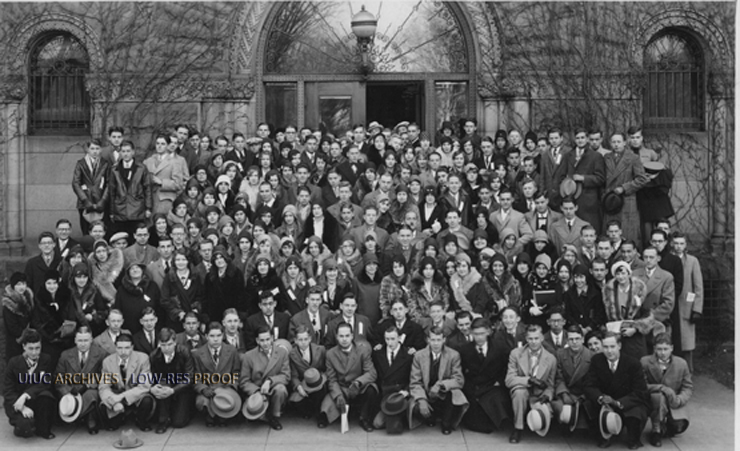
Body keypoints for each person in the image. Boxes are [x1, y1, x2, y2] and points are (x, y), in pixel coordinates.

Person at [584, 332, 650, 449]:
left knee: (637, 411)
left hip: (626, 402)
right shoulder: (597, 360)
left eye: (612, 346)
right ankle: (604, 436)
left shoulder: (633, 363)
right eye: (605, 347)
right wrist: (601, 397)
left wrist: (617, 402)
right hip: (605, 401)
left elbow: (640, 391)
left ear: (619, 346)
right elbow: (589, 385)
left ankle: (633, 438)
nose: (609, 351)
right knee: (589, 404)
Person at [408, 326, 467, 435]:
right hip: (427, 393)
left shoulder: (453, 355)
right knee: (415, 406)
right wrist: (421, 399)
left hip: (443, 394)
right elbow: (415, 382)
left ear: (444, 340)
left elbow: (459, 380)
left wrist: (440, 385)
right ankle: (430, 416)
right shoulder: (419, 356)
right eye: (433, 340)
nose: (436, 343)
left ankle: (446, 422)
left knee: (455, 393)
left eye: (439, 340)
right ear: (428, 340)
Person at [322, 322, 379, 432]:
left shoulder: (362, 350)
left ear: (352, 336)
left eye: (347, 336)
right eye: (341, 336)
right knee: (326, 411)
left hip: (359, 388)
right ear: (336, 337)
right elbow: (332, 379)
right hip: (342, 388)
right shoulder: (330, 354)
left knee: (372, 389)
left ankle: (364, 418)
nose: (344, 339)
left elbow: (371, 373)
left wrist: (358, 382)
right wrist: (338, 395)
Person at [505, 324, 557, 444]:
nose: (533, 342)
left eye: (536, 338)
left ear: (542, 338)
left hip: (539, 393)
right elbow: (509, 379)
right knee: (519, 393)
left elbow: (550, 384)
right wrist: (528, 380)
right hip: (522, 389)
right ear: (526, 339)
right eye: (530, 339)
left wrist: (547, 395)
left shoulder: (551, 359)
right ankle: (518, 428)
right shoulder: (516, 354)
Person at [459, 318, 512, 433]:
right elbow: (461, 371)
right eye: (476, 334)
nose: (479, 337)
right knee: (476, 415)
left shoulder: (499, 347)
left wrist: (500, 381)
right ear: (471, 333)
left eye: (482, 333)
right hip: (474, 386)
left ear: (488, 332)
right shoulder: (465, 350)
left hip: (493, 385)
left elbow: (507, 367)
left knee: (496, 400)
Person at [640, 333, 693, 447]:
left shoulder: (681, 363)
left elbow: (687, 387)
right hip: (653, 400)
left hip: (673, 400)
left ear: (671, 348)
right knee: (658, 397)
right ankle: (656, 430)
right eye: (659, 349)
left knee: (678, 427)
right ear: (654, 349)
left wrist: (680, 399)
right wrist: (662, 388)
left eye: (665, 349)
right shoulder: (645, 362)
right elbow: (641, 385)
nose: (662, 353)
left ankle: (667, 424)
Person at [3, 329, 56, 439]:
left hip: (35, 398)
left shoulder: (46, 359)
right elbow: (7, 389)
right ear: (24, 346)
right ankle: (23, 424)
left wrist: (26, 395)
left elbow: (45, 383)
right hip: (17, 401)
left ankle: (43, 428)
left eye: (37, 348)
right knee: (25, 429)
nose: (34, 352)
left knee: (47, 396)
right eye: (31, 348)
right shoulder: (13, 363)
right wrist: (22, 407)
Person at [55, 326, 107, 434]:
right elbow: (58, 378)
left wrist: (88, 385)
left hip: (89, 389)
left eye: (86, 340)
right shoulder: (65, 355)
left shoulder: (101, 354)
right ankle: (74, 412)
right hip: (71, 391)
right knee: (68, 400)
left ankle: (90, 419)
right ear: (75, 340)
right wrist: (68, 391)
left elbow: (104, 375)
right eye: (80, 340)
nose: (83, 344)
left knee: (92, 395)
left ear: (91, 340)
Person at [98, 333, 154, 431]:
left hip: (135, 395)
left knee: (147, 400)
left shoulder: (143, 358)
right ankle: (120, 417)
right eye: (120, 348)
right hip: (117, 394)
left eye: (127, 348)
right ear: (115, 347)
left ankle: (140, 420)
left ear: (132, 347)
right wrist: (114, 403)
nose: (123, 352)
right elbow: (104, 387)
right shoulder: (107, 361)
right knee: (104, 406)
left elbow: (144, 386)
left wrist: (121, 397)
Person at [239, 326, 291, 430]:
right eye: (262, 340)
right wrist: (257, 391)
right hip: (257, 391)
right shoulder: (249, 356)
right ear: (257, 341)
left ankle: (274, 416)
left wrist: (270, 381)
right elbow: (244, 381)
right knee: (255, 411)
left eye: (267, 339)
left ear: (272, 338)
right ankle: (262, 413)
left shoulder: (282, 353)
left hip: (273, 389)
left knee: (281, 389)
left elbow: (286, 375)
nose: (265, 343)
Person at [191, 322, 242, 427]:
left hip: (225, 388)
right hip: (208, 389)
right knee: (201, 402)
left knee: (227, 400)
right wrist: (203, 389)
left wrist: (230, 385)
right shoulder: (197, 354)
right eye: (212, 336)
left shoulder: (232, 351)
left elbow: (237, 373)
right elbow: (196, 377)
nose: (215, 339)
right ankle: (210, 415)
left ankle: (223, 415)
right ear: (206, 336)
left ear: (223, 336)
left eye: (218, 335)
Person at [603, 132, 649, 245]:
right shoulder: (606, 157)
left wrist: (624, 188)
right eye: (613, 142)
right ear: (610, 143)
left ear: (624, 142)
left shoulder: (633, 158)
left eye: (619, 142)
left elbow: (642, 179)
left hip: (627, 200)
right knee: (610, 232)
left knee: (627, 233)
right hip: (610, 201)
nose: (616, 145)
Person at [149, 327, 195, 433]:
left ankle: (186, 410)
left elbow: (189, 377)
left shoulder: (184, 352)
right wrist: (153, 387)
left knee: (179, 423)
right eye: (163, 345)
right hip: (164, 386)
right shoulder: (154, 356)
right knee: (162, 386)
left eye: (169, 344)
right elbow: (151, 376)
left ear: (175, 342)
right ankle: (163, 420)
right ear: (159, 344)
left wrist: (173, 390)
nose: (166, 348)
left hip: (182, 387)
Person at [370, 325, 414, 433]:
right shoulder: (378, 353)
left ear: (399, 338)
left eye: (393, 339)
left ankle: (402, 415)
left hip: (400, 394)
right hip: (385, 394)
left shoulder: (408, 354)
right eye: (387, 339)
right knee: (377, 423)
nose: (390, 342)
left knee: (395, 426)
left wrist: (406, 391)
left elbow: (413, 377)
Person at [670, 232, 703, 371]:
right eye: (676, 243)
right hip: (671, 302)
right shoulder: (668, 259)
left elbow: (698, 286)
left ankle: (688, 372)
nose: (678, 246)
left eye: (681, 243)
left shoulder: (692, 261)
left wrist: (697, 309)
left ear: (685, 245)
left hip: (686, 305)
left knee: (686, 342)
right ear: (671, 244)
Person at [551, 325, 593, 433]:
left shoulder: (591, 356)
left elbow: (592, 382)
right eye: (571, 339)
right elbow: (558, 377)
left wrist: (582, 396)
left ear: (583, 339)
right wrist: (564, 394)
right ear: (567, 340)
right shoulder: (560, 354)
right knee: (559, 408)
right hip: (567, 392)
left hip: (584, 394)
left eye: (577, 339)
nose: (574, 342)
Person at [562, 128, 605, 232]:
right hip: (572, 198)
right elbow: (562, 175)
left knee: (589, 229)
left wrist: (584, 178)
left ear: (587, 139)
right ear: (574, 139)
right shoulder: (568, 156)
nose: (580, 140)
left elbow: (601, 178)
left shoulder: (596, 156)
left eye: (582, 137)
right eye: (577, 138)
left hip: (589, 201)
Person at [108, 140, 153, 237]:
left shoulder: (141, 168)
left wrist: (148, 208)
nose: (126, 154)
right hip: (120, 210)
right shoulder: (114, 169)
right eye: (123, 151)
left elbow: (147, 188)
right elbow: (112, 191)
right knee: (122, 237)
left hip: (137, 209)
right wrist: (112, 211)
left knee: (136, 235)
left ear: (133, 152)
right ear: (120, 152)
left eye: (128, 151)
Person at [288, 325, 328, 426]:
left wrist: (323, 379)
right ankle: (308, 409)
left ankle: (321, 416)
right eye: (300, 340)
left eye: (306, 339)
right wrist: (299, 387)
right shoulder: (292, 354)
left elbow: (326, 368)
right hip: (304, 384)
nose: (303, 342)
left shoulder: (320, 350)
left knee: (320, 394)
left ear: (310, 339)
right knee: (296, 401)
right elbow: (294, 375)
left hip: (319, 382)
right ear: (295, 340)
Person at [143, 133, 189, 215]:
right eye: (157, 143)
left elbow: (179, 184)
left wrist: (162, 182)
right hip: (149, 201)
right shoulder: (148, 161)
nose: (159, 146)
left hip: (165, 201)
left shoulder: (175, 162)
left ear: (167, 146)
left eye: (163, 144)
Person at [72, 139, 111, 234]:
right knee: (87, 232)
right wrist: (85, 200)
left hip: (101, 202)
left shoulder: (105, 164)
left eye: (97, 148)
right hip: (85, 203)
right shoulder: (80, 163)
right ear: (88, 149)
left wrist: (103, 200)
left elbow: (109, 184)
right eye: (92, 148)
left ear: (101, 150)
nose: (95, 151)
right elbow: (76, 183)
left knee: (102, 231)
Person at [113, 263, 162, 335]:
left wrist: (158, 328)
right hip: (129, 332)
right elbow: (118, 310)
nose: (135, 270)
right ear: (128, 272)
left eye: (137, 267)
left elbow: (160, 309)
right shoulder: (121, 290)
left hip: (150, 331)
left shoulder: (152, 286)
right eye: (132, 268)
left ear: (142, 270)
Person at [3, 272, 36, 359]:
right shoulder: (9, 303)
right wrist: (25, 334)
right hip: (15, 342)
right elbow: (12, 327)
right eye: (18, 284)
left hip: (29, 341)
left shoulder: (29, 298)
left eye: (24, 284)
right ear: (13, 285)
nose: (22, 287)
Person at [25, 232, 63, 296]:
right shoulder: (32, 263)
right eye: (43, 243)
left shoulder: (62, 261)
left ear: (54, 244)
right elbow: (28, 284)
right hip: (38, 299)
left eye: (49, 243)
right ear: (39, 246)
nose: (46, 245)